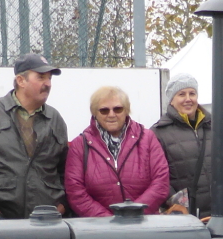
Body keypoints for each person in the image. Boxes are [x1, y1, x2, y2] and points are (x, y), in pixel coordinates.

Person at [64, 87, 170, 217]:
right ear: (94, 113)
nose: (111, 114)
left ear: (126, 110)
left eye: (118, 109)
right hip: (100, 230)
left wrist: (134, 213)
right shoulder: (79, 145)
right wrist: (108, 220)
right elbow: (75, 191)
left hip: (145, 226)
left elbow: (161, 182)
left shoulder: (147, 138)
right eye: (104, 110)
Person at [0, 53, 69, 218]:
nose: (48, 84)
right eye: (40, 77)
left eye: (49, 78)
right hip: (0, 219)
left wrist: (62, 205)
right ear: (21, 81)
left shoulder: (55, 119)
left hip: (47, 218)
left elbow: (66, 168)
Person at [153, 74, 214, 216]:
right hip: (186, 216)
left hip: (219, 214)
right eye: (181, 94)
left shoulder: (214, 127)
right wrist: (176, 205)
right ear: (171, 100)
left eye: (192, 93)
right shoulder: (158, 133)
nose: (188, 99)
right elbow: (157, 177)